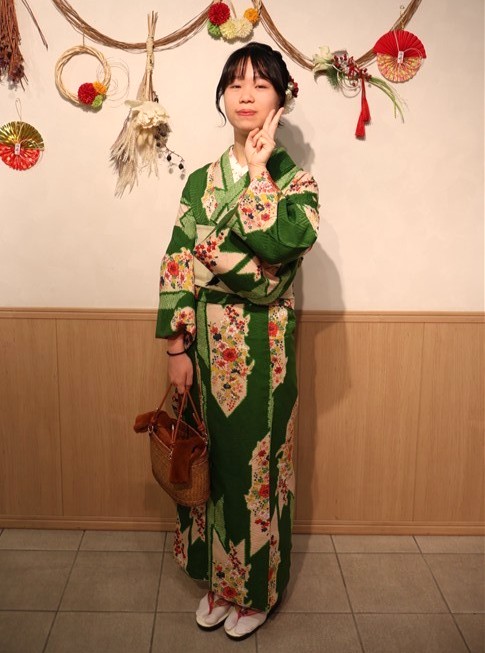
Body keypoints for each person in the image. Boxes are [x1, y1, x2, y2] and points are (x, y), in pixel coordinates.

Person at [155, 41, 320, 641]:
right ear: (222, 97)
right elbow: (179, 261)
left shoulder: (296, 182)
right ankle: (217, 580)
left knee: (257, 469)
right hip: (203, 343)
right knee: (209, 461)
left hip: (263, 350)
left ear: (281, 100)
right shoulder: (201, 181)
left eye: (261, 83)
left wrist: (256, 175)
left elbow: (281, 253)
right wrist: (176, 348)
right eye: (234, 83)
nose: (246, 95)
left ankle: (256, 589)